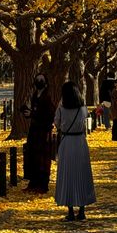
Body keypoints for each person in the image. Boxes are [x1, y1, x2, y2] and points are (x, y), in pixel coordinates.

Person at [54, 81, 96, 221]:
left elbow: (57, 124)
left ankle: (70, 211)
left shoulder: (61, 108)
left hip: (67, 142)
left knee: (68, 175)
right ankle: (82, 210)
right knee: (82, 174)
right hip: (80, 142)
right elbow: (85, 121)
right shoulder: (82, 109)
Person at [23, 73, 56, 193]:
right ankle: (33, 183)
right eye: (37, 79)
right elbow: (35, 111)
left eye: (41, 79)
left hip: (43, 131)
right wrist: (29, 113)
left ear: (45, 82)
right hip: (34, 129)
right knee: (32, 156)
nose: (38, 81)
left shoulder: (47, 97)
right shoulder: (35, 95)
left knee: (42, 157)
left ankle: (42, 184)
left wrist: (33, 114)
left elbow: (49, 115)